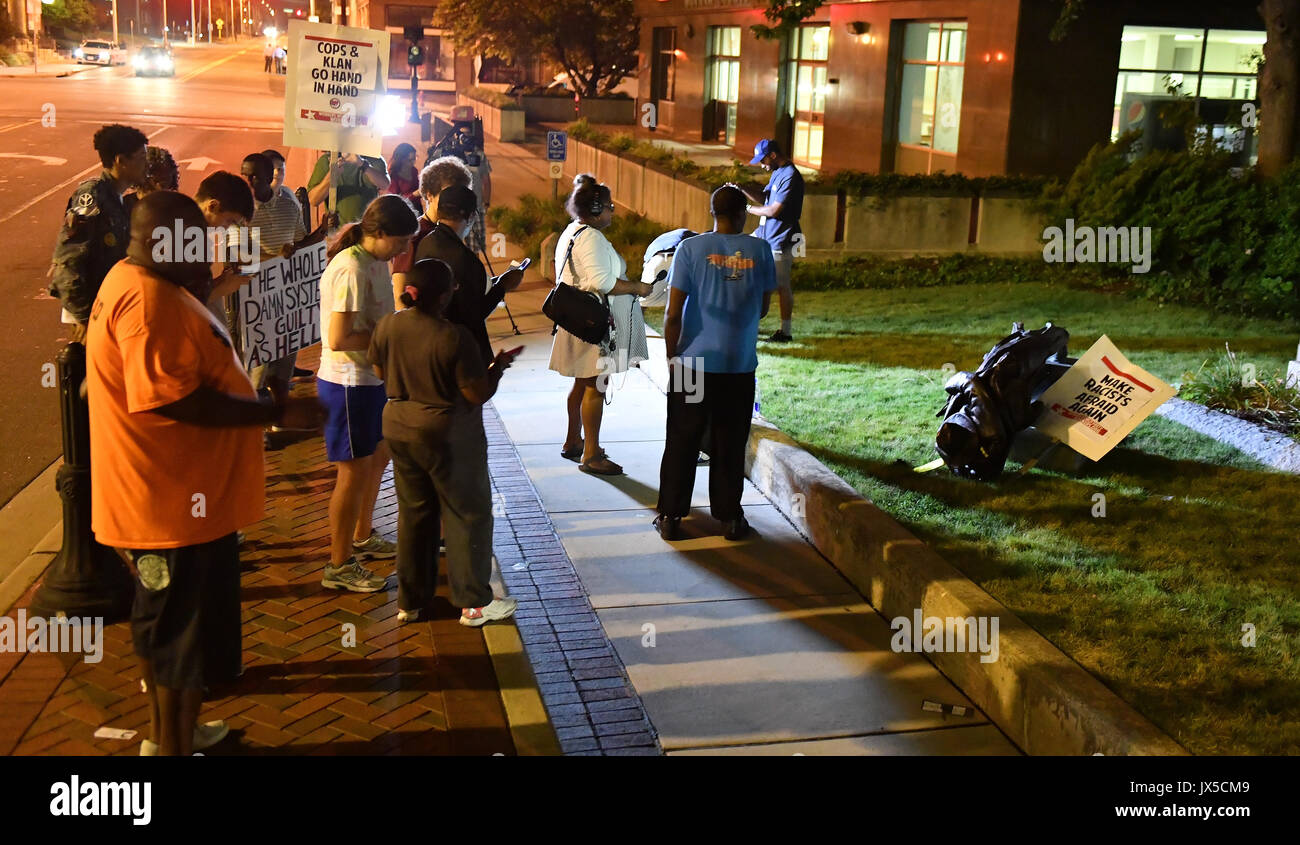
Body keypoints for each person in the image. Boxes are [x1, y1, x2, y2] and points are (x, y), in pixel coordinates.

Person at [87, 190, 323, 755]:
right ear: (158, 242)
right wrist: (271, 413)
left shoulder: (140, 280)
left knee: (172, 632)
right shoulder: (148, 305)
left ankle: (177, 734)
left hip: (177, 503)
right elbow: (172, 399)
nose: (205, 250)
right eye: (192, 241)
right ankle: (170, 746)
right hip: (168, 509)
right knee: (177, 640)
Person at [369, 258, 521, 626]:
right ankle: (473, 604)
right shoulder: (453, 336)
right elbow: (475, 394)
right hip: (448, 436)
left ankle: (410, 602)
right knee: (467, 514)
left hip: (399, 428)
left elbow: (378, 370)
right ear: (443, 296)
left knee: (415, 515)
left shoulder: (389, 325)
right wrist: (497, 369)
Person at [654, 185, 776, 542]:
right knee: (729, 440)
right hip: (737, 366)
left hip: (693, 366)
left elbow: (672, 313)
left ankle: (672, 516)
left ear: (713, 213)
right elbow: (765, 307)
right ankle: (729, 517)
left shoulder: (690, 249)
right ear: (742, 214)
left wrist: (672, 356)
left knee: (682, 438)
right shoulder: (761, 250)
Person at [318, 194, 419, 592]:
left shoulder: (376, 262)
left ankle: (362, 534)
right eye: (399, 241)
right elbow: (339, 337)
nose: (404, 249)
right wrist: (389, 336)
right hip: (347, 383)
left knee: (377, 459)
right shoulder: (350, 270)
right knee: (352, 473)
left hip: (370, 380)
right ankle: (338, 564)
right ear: (376, 233)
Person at [548, 174, 653, 476]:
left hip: (576, 321)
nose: (612, 211)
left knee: (581, 383)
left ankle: (573, 441)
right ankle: (591, 455)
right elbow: (603, 282)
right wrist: (637, 287)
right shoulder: (592, 238)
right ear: (595, 209)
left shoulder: (572, 231)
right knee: (595, 384)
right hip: (593, 324)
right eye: (608, 206)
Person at [49, 124, 148, 337]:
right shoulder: (92, 196)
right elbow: (68, 260)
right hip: (92, 314)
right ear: (121, 161)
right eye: (141, 158)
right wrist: (85, 319)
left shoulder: (121, 201)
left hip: (108, 308)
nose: (146, 165)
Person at [414, 185, 523, 366]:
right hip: (460, 356)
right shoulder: (465, 259)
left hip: (428, 347)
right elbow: (474, 314)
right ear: (471, 216)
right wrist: (503, 286)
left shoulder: (426, 243)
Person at [737, 139, 803, 342]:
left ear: (773, 155)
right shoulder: (777, 173)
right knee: (743, 268)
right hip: (764, 235)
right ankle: (748, 321)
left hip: (781, 239)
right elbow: (764, 198)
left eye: (763, 160)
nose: (761, 165)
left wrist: (747, 209)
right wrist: (741, 189)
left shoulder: (791, 176)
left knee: (782, 285)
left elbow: (774, 210)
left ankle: (786, 332)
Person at [388, 156, 471, 300]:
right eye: (447, 195)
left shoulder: (451, 230)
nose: (454, 202)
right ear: (429, 195)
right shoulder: (414, 235)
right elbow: (399, 293)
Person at [307, 151, 390, 226]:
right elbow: (313, 200)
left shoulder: (374, 158)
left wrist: (362, 164)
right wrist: (331, 177)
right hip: (337, 234)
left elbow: (385, 184)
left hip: (369, 231)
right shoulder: (327, 160)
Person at [386, 143, 422, 210]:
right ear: (401, 159)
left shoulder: (414, 170)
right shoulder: (393, 175)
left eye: (414, 159)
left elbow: (417, 188)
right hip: (404, 210)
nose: (413, 162)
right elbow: (395, 201)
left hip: (417, 207)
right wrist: (414, 195)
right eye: (410, 160)